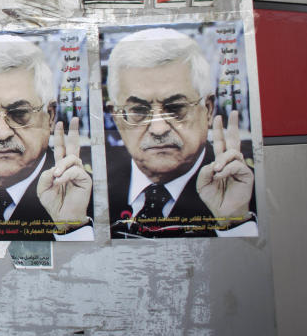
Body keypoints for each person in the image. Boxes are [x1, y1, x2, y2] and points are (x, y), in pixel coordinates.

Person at [104, 27, 257, 238]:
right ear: (116, 117)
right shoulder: (87, 191)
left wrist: (235, 223)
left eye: (175, 108)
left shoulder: (247, 193)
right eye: (139, 111)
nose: (159, 129)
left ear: (208, 109)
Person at [0, 35, 93, 241]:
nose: (2, 133)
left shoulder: (84, 200)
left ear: (50, 116)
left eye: (19, 113)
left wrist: (72, 229)